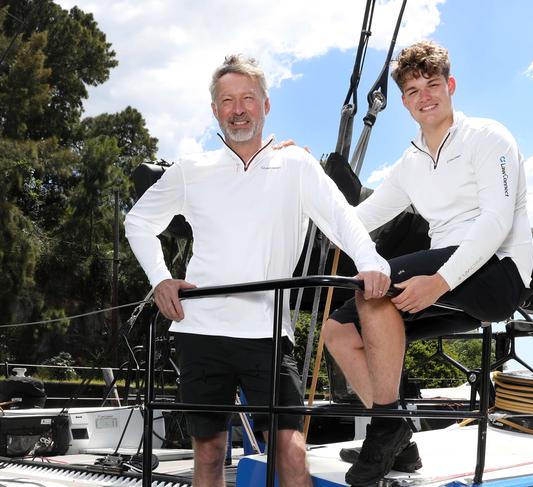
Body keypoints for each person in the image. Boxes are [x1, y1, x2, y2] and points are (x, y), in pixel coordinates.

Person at [124, 54, 391, 487]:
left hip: (267, 334)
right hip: (201, 330)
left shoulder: (298, 166)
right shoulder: (192, 169)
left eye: (248, 98)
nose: (238, 109)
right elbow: (137, 221)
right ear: (215, 110)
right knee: (209, 456)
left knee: (291, 451)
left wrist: (372, 262)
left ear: (266, 105)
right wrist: (159, 276)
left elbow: (344, 219)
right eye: (227, 100)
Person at [323, 40, 533, 486]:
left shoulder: (488, 137)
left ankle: (383, 432)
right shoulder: (410, 163)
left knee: (373, 288)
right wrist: (301, 181)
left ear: (450, 85)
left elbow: (496, 220)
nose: (425, 96)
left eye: (432, 84)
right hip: (445, 280)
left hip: (497, 273)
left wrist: (438, 282)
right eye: (413, 90)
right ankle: (397, 432)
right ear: (404, 101)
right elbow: (360, 218)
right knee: (338, 332)